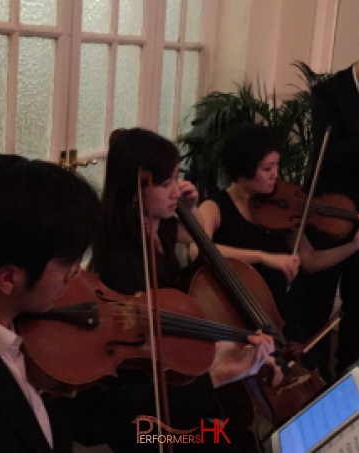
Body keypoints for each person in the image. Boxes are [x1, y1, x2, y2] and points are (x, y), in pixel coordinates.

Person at [0, 153, 280, 453]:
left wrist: (214, 373)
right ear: (8, 278)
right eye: (67, 264)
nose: (78, 274)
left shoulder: (23, 330)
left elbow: (95, 415)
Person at [89, 127, 282, 451]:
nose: (176, 190)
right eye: (166, 184)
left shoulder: (161, 233)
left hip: (179, 386)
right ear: (136, 191)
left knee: (240, 439)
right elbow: (156, 348)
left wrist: (191, 212)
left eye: (176, 178)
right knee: (232, 442)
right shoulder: (121, 261)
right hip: (153, 418)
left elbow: (197, 270)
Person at [191, 122, 359, 377]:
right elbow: (197, 250)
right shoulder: (215, 207)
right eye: (267, 169)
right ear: (243, 170)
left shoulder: (283, 212)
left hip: (278, 317)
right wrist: (263, 257)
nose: (276, 175)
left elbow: (311, 260)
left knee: (317, 376)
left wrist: (356, 244)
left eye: (277, 167)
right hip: (233, 317)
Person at [303, 12, 359, 375]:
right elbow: (330, 157)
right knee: (320, 299)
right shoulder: (327, 94)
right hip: (330, 213)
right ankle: (312, 377)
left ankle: (350, 379)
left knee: (358, 304)